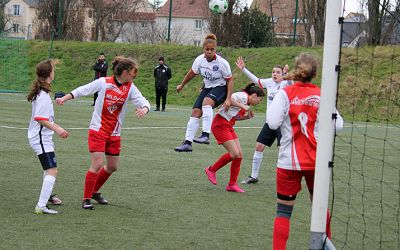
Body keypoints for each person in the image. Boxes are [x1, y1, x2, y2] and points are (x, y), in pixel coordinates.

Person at [266, 53, 343, 249]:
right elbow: (339, 125)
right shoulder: (321, 94)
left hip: (288, 161)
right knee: (319, 210)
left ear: (296, 70)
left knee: (283, 212)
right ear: (314, 74)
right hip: (316, 162)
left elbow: (273, 122)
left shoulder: (285, 93)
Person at [56, 56, 150, 210]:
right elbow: (83, 90)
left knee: (112, 166)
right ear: (125, 72)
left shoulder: (130, 87)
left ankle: (94, 192)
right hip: (98, 129)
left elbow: (143, 100)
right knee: (98, 163)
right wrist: (64, 98)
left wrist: (144, 109)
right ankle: (86, 198)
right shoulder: (104, 82)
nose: (135, 76)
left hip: (114, 133)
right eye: (133, 73)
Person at [235, 56, 292, 184]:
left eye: (278, 72)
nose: (274, 74)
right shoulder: (269, 83)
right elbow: (256, 80)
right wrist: (244, 69)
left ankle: (287, 178)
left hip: (283, 123)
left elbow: (291, 83)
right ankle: (254, 176)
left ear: (282, 74)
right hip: (270, 122)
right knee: (259, 146)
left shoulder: (285, 84)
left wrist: (287, 75)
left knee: (283, 150)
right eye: (273, 72)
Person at [174, 34, 233, 152]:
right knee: (195, 112)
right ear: (203, 49)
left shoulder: (222, 63)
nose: (209, 52)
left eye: (212, 49)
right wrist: (182, 85)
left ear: (215, 50)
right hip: (208, 88)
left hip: (221, 88)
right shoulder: (199, 60)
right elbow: (192, 73)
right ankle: (187, 143)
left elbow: (230, 80)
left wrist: (228, 99)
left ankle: (205, 135)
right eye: (207, 49)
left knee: (206, 102)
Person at [205, 83, 265, 192]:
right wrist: (242, 106)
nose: (258, 102)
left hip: (228, 125)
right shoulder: (242, 96)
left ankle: (232, 185)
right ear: (254, 95)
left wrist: (246, 117)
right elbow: (227, 100)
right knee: (234, 154)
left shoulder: (246, 101)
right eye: (259, 100)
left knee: (239, 156)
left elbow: (235, 117)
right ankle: (211, 170)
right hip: (220, 125)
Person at [27, 59, 69, 214]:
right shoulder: (43, 95)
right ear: (49, 74)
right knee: (52, 170)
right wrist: (57, 129)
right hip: (40, 139)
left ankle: (47, 196)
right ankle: (41, 206)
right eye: (53, 69)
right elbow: (40, 118)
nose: (54, 71)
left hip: (41, 138)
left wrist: (56, 128)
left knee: (48, 169)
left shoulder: (43, 92)